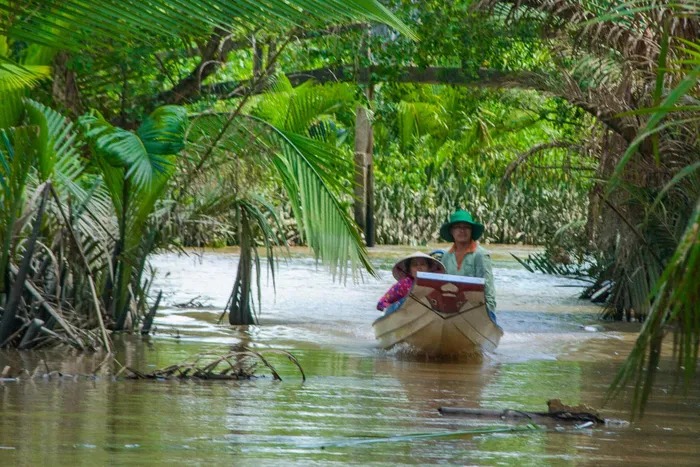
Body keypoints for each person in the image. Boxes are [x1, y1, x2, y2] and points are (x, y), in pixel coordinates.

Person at [439, 209, 496, 315]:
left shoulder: (480, 255)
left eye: (466, 227)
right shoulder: (446, 256)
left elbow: (488, 289)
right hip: (452, 309)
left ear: (471, 231)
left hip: (475, 308)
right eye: (457, 227)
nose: (462, 230)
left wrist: (489, 313)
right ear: (452, 231)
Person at [376, 252, 446, 311]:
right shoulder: (403, 284)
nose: (419, 267)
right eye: (415, 265)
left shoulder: (436, 284)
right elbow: (381, 303)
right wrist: (396, 307)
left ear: (428, 268)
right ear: (409, 270)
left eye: (422, 264)